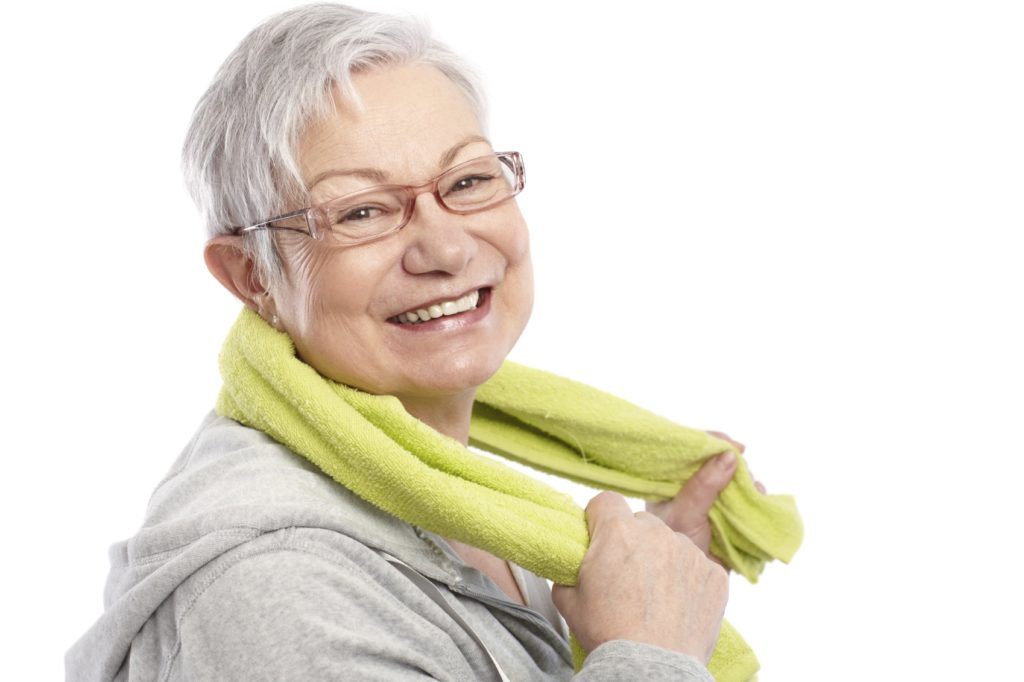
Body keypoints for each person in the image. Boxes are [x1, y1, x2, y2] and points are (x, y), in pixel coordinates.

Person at [67, 4, 748, 680]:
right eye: (361, 211)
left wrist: (630, 600)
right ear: (252, 277)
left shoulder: (448, 486)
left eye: (469, 180)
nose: (446, 247)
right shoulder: (281, 587)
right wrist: (650, 653)